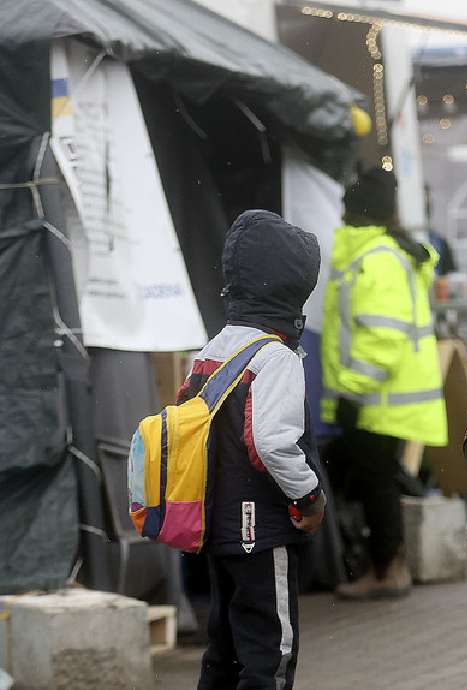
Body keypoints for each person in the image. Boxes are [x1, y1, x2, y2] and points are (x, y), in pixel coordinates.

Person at [190, 210, 327, 690]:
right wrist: (308, 496)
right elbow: (271, 442)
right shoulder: (276, 356)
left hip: (217, 528)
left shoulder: (212, 350)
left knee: (224, 646)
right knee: (271, 652)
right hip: (262, 531)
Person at [321, 167, 446, 598]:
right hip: (387, 395)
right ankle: (385, 566)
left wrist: (352, 391)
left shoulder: (375, 260)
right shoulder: (383, 253)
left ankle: (387, 570)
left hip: (378, 396)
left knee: (375, 483)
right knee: (377, 480)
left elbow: (383, 336)